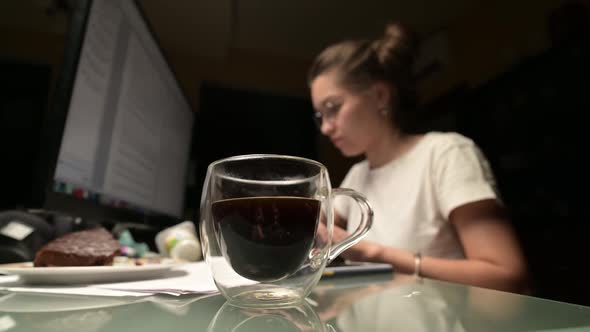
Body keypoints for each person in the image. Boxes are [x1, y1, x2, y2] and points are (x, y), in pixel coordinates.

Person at [308, 22, 529, 293]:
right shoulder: (357, 175)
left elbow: (506, 276)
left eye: (333, 108)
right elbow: (320, 235)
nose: (326, 127)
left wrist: (374, 254)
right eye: (320, 116)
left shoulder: (445, 153)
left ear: (379, 95)